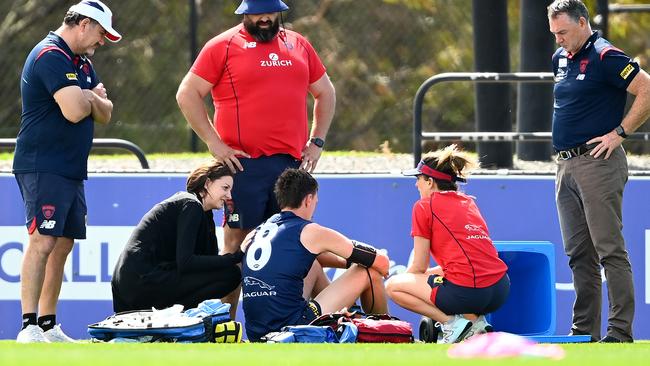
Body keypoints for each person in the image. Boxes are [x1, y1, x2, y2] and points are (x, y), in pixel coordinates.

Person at [175, 0, 336, 317]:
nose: (264, 18)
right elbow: (187, 93)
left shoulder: (299, 43)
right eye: (256, 13)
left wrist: (316, 142)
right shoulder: (222, 45)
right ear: (244, 13)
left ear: (279, 11)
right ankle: (225, 326)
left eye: (270, 12)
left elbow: (326, 92)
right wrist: (214, 143)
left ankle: (317, 322)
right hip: (241, 166)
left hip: (290, 167)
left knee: (296, 244)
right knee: (235, 244)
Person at [11, 0, 121, 343]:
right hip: (43, 164)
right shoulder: (50, 55)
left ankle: (47, 325)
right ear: (84, 24)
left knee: (63, 244)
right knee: (42, 241)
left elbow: (106, 112)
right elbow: (75, 111)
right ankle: (28, 326)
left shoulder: (81, 61)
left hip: (70, 168)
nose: (101, 41)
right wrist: (90, 96)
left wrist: (89, 97)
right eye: (101, 33)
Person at [547, 0, 650, 343]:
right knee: (578, 254)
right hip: (564, 165)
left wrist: (619, 133)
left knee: (609, 250)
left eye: (562, 32)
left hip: (598, 163)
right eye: (554, 33)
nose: (558, 39)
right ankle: (583, 333)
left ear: (582, 22)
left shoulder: (606, 55)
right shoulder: (560, 58)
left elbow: (647, 89)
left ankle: (619, 333)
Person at [240, 169, 389, 342]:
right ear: (309, 199)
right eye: (316, 200)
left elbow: (307, 256)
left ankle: (352, 318)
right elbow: (381, 261)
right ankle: (383, 335)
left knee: (313, 263)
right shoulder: (310, 230)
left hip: (257, 333)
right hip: (291, 328)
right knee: (369, 272)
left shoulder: (263, 228)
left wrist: (348, 264)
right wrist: (360, 263)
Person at [385, 145, 510, 344]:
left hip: (470, 292)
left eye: (418, 179)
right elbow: (467, 262)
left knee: (393, 286)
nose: (416, 185)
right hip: (500, 289)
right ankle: (476, 325)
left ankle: (452, 324)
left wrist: (413, 281)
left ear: (430, 181)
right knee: (442, 280)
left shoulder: (424, 206)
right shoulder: (468, 202)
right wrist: (427, 279)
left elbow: (418, 266)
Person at [111, 161, 243, 313]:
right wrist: (236, 256)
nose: (229, 196)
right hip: (139, 283)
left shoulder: (204, 214)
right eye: (225, 188)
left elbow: (206, 261)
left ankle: (181, 320)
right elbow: (186, 262)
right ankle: (177, 319)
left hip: (135, 283)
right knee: (230, 275)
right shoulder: (191, 205)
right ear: (207, 183)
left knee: (225, 273)